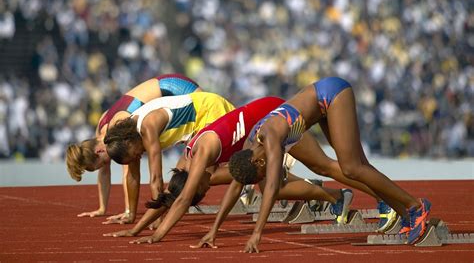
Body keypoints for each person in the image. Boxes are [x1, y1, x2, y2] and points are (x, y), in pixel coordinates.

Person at [103, 96, 354, 243]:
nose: (207, 187)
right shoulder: (188, 163)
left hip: (274, 115)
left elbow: (183, 199)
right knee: (269, 186)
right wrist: (136, 228)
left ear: (196, 181)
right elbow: (173, 197)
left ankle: (365, 191)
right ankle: (336, 197)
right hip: (257, 132)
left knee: (324, 166)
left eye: (201, 189)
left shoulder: (201, 154)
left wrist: (157, 236)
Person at [225, 77, 431, 252]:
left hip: (332, 95)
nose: (265, 174)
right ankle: (405, 214)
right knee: (359, 168)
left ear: (258, 161)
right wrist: (214, 231)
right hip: (322, 108)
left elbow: (271, 188)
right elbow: (237, 183)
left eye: (261, 173)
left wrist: (257, 234)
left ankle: (416, 207)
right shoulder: (249, 149)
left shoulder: (269, 138)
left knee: (351, 168)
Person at [66, 74, 203, 224]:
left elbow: (131, 174)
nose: (107, 164)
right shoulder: (101, 130)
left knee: (204, 148)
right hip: (167, 86)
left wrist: (130, 212)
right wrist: (102, 208)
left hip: (176, 87)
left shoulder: (118, 129)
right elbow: (104, 173)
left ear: (99, 151)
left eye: (103, 163)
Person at [102, 91, 235, 223]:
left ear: (128, 142)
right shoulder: (131, 137)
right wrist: (130, 214)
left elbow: (156, 179)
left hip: (207, 109)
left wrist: (158, 218)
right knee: (182, 178)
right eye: (133, 159)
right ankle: (245, 173)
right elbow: (133, 177)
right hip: (196, 123)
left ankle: (250, 171)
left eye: (134, 155)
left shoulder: (147, 128)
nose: (138, 157)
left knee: (205, 175)